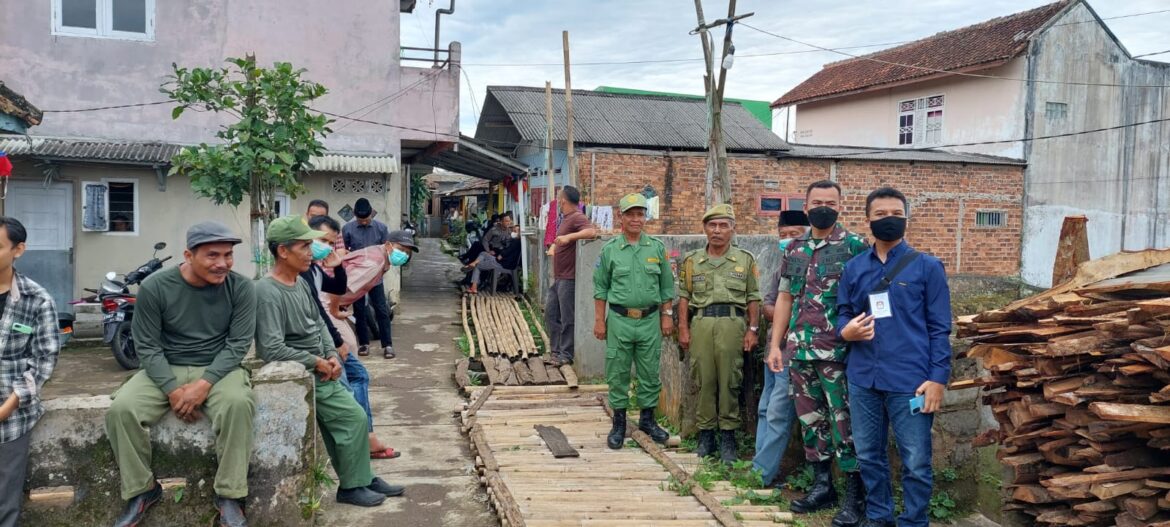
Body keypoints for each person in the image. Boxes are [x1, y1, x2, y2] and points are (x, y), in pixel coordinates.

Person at [106, 221, 256, 527]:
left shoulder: (241, 288)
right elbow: (146, 347)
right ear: (188, 255)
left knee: (238, 404)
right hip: (165, 365)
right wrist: (174, 391)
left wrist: (203, 385)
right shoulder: (155, 288)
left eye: (228, 255)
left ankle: (230, 495)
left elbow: (238, 344)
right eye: (212, 255)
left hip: (218, 368)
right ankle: (142, 490)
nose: (222, 263)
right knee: (122, 410)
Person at [254, 216, 404, 508]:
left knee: (353, 418)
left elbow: (318, 323)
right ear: (283, 251)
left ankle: (361, 477)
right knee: (352, 418)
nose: (312, 251)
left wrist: (333, 354)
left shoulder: (300, 282)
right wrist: (316, 361)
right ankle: (352, 485)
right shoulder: (266, 291)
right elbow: (271, 348)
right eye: (305, 245)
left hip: (323, 364)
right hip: (303, 371)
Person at [837, 187, 952, 527]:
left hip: (911, 380)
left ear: (906, 218)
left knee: (915, 460)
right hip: (863, 377)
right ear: (867, 220)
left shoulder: (928, 267)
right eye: (880, 214)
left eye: (896, 213)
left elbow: (939, 328)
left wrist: (938, 379)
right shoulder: (854, 268)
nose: (889, 219)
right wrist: (847, 332)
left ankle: (914, 521)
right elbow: (843, 313)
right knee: (869, 455)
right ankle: (879, 516)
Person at [764, 180, 870, 527]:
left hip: (839, 350)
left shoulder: (855, 246)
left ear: (841, 206)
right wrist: (775, 345)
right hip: (799, 350)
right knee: (811, 422)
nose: (824, 206)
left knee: (845, 422)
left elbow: (870, 298)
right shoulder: (793, 248)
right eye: (817, 202)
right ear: (806, 206)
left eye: (831, 201)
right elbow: (784, 298)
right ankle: (822, 486)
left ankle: (856, 495)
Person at [306, 215, 398, 460]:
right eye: (320, 241)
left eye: (330, 242)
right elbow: (323, 306)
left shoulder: (314, 269)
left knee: (357, 374)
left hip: (325, 328)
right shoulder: (301, 273)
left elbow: (336, 288)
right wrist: (336, 342)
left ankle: (364, 437)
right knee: (346, 381)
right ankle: (358, 442)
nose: (325, 247)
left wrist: (336, 266)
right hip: (318, 335)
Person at [677, 204, 760, 464]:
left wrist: (753, 329)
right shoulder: (692, 261)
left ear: (733, 229)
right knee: (703, 379)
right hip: (701, 322)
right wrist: (683, 327)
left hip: (732, 324)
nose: (717, 230)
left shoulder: (744, 260)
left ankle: (728, 437)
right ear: (704, 229)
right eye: (712, 225)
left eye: (723, 225)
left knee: (730, 380)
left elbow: (753, 297)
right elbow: (683, 297)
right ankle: (706, 435)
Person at [592, 193, 675, 450]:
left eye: (640, 214)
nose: (636, 219)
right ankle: (619, 423)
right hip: (619, 319)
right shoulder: (610, 251)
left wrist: (666, 316)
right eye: (631, 214)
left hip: (650, 320)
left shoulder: (657, 249)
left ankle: (647, 421)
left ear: (645, 217)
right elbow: (600, 289)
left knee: (650, 371)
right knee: (618, 371)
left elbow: (666, 287)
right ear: (622, 217)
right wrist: (599, 321)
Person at [0, 217, 61, 527]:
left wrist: (8, 406)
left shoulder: (37, 301)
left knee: (4, 505)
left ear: (18, 250)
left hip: (11, 418)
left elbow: (44, 360)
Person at [752, 210, 809, 488]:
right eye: (783, 235)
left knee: (778, 412)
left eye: (795, 234)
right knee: (764, 408)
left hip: (794, 354)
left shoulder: (814, 267)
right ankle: (758, 466)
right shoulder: (781, 268)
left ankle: (762, 474)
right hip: (773, 350)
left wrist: (787, 316)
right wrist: (782, 316)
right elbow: (768, 305)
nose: (788, 240)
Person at [544, 186, 597, 367]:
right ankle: (556, 351)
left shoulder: (578, 217)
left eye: (559, 199)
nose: (558, 202)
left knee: (567, 318)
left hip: (568, 278)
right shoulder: (565, 219)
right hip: (559, 277)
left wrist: (569, 238)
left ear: (563, 200)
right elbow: (560, 241)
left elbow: (591, 232)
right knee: (551, 314)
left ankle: (566, 354)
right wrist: (554, 246)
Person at [342, 198, 394, 359]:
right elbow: (343, 251)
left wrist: (385, 267)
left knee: (382, 310)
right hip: (357, 278)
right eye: (360, 220)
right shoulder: (347, 229)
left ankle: (388, 345)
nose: (364, 222)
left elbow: (388, 250)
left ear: (371, 213)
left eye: (366, 219)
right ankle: (364, 344)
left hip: (376, 277)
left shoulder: (381, 228)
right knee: (359, 311)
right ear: (354, 216)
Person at [468, 224, 522, 294]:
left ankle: (473, 287)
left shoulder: (516, 242)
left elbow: (505, 252)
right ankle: (473, 263)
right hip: (502, 261)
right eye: (513, 230)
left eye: (515, 231)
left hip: (503, 264)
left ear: (519, 233)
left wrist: (499, 256)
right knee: (483, 253)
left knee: (478, 266)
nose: (513, 232)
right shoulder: (514, 241)